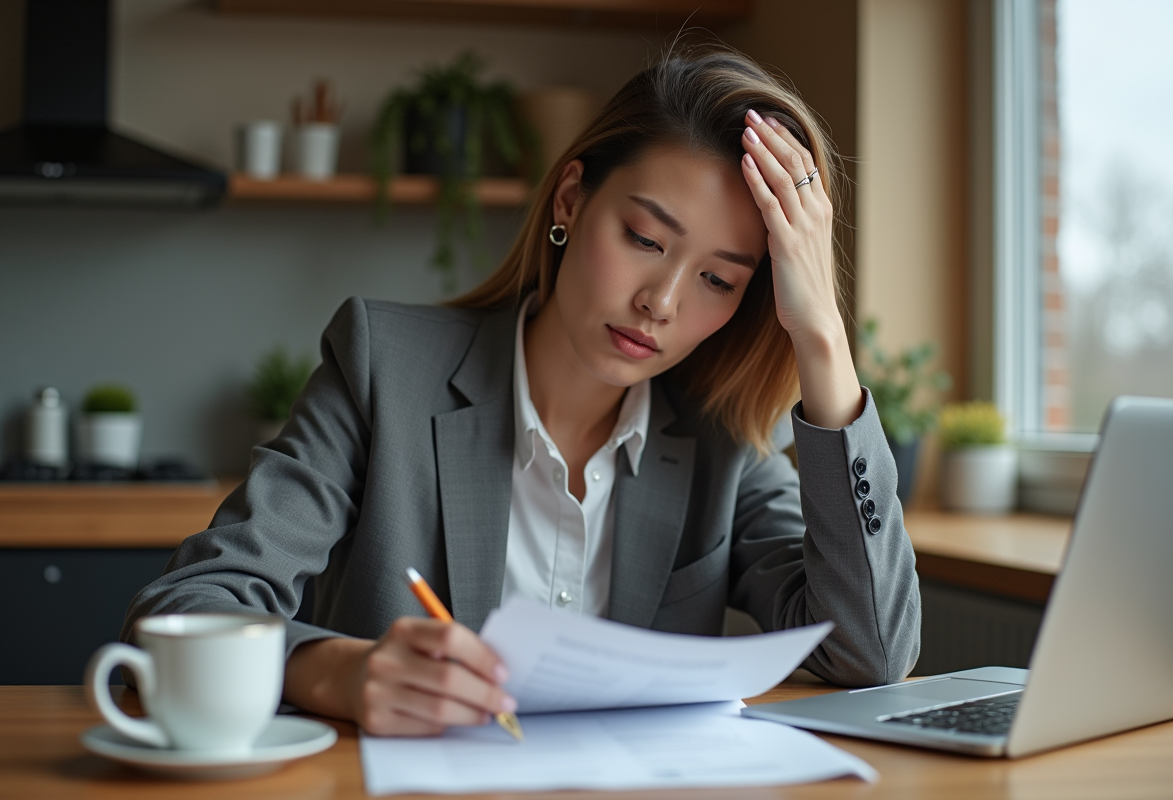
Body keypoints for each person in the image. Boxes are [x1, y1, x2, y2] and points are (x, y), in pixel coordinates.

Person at [123, 44, 920, 737]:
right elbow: (186, 609)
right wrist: (342, 675)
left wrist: (821, 339)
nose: (664, 302)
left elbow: (871, 652)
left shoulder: (719, 439)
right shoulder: (383, 367)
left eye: (718, 279)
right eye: (645, 239)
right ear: (570, 200)